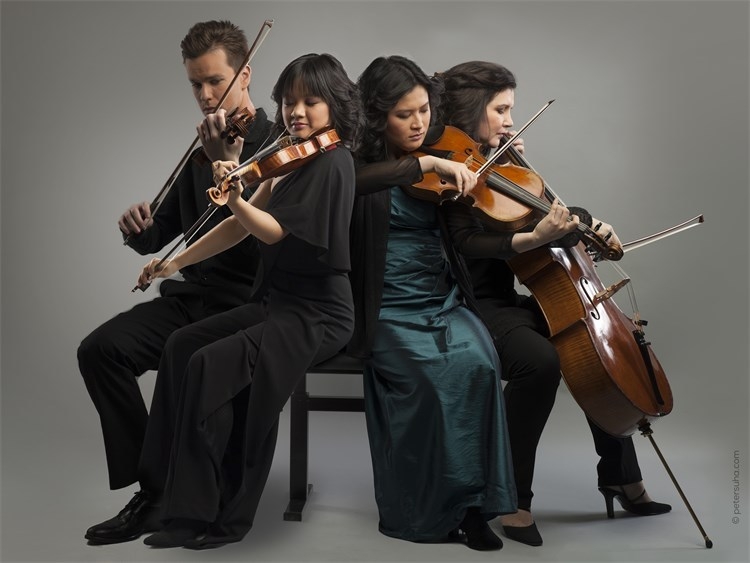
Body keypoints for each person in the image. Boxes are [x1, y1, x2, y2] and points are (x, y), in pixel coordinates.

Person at [120, 52, 361, 550]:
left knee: (211, 364)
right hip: (278, 301)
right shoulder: (292, 155)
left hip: (318, 313)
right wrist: (173, 262)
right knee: (183, 346)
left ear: (335, 104)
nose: (297, 112)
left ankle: (224, 518)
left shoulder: (334, 161)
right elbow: (237, 227)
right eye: (289, 101)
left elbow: (271, 232)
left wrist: (231, 193)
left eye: (311, 102)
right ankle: (177, 505)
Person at [435, 60, 671, 546]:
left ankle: (621, 477)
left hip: (504, 299)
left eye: (511, 110)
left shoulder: (500, 163)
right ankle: (512, 498)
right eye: (501, 110)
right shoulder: (448, 172)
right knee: (540, 361)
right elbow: (474, 242)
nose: (509, 121)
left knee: (596, 350)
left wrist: (585, 222)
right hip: (467, 304)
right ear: (471, 110)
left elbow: (548, 220)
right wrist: (553, 226)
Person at [79, 20, 274, 545]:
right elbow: (164, 232)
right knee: (100, 350)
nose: (206, 96)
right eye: (196, 84)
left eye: (215, 81)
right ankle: (158, 485)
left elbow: (263, 242)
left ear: (245, 74)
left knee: (183, 355)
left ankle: (161, 496)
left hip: (246, 304)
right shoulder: (202, 147)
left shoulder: (275, 146)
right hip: (191, 297)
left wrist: (230, 167)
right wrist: (138, 230)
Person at [348, 55, 516, 551]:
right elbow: (353, 185)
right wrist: (423, 164)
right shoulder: (353, 164)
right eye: (404, 114)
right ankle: (428, 510)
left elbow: (472, 225)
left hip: (440, 295)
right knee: (428, 379)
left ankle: (476, 507)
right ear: (378, 116)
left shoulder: (443, 151)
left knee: (480, 363)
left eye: (424, 110)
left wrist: (499, 157)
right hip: (384, 304)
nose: (419, 123)